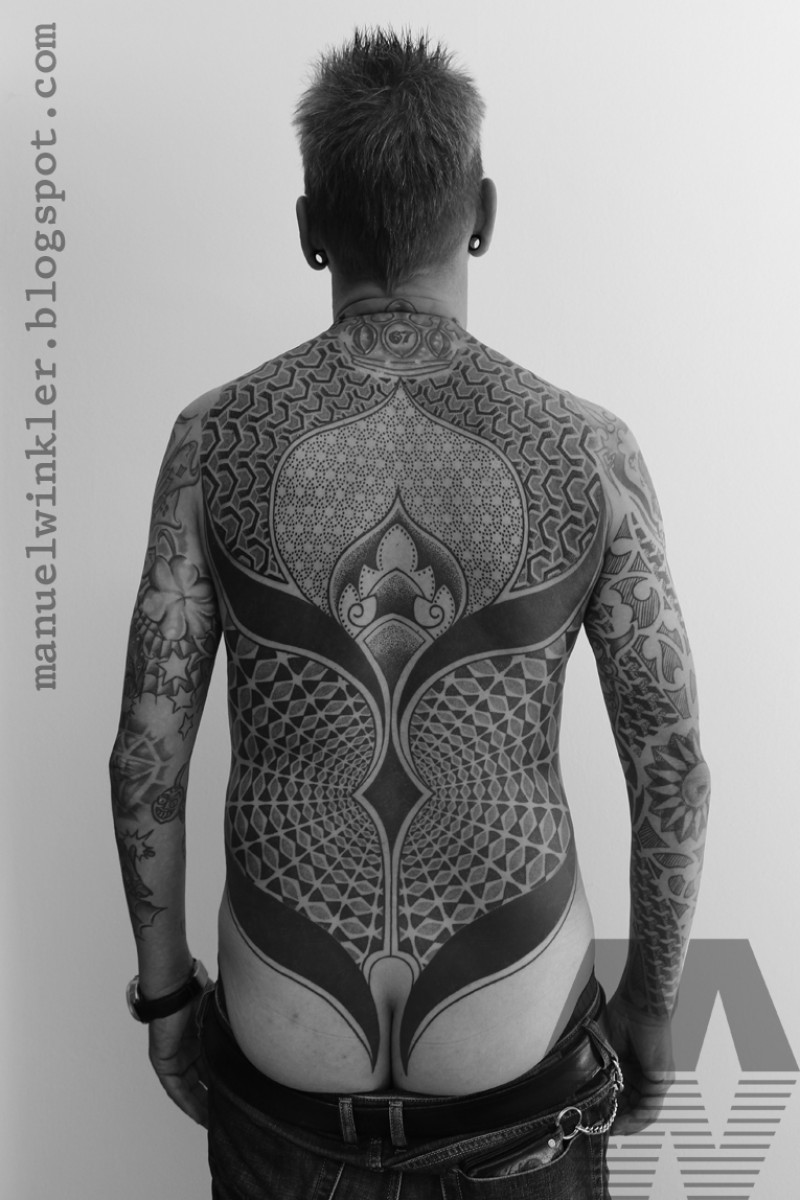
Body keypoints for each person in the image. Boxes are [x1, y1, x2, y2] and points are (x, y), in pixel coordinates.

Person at [110, 28, 710, 1200]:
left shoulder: (213, 443)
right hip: (519, 1086)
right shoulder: (586, 452)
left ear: (309, 228)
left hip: (284, 1084)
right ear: (479, 214)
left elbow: (145, 756)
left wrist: (166, 994)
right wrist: (649, 1005)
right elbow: (672, 764)